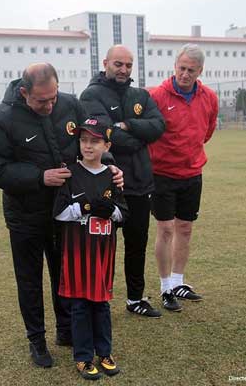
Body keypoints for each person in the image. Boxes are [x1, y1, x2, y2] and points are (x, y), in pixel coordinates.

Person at [0, 63, 124, 368]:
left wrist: (109, 163)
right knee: (30, 279)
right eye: (41, 101)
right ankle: (37, 340)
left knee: (66, 273)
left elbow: (93, 135)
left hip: (68, 213)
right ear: (24, 93)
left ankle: (67, 330)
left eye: (53, 98)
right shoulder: (4, 118)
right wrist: (38, 177)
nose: (49, 105)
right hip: (26, 215)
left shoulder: (70, 104)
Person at [80, 45, 165, 318]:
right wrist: (135, 134)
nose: (124, 70)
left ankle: (135, 298)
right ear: (106, 63)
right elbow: (108, 137)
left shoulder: (140, 95)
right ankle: (97, 299)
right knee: (102, 245)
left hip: (140, 184)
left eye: (128, 65)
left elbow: (158, 126)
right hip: (107, 185)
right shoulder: (92, 95)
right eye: (118, 64)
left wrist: (126, 125)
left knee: (137, 244)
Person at [53, 118, 127, 380]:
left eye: (95, 141)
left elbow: (123, 213)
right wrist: (85, 207)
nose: (88, 145)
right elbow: (59, 213)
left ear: (106, 145)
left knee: (101, 306)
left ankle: (104, 352)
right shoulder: (71, 174)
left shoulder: (112, 175)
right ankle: (83, 357)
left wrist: (112, 211)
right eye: (83, 140)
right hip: (76, 257)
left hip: (102, 256)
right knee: (80, 307)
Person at [148, 43, 218, 312]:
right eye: (181, 68)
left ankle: (178, 282)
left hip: (192, 173)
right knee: (165, 230)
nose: (185, 74)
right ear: (174, 66)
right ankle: (165, 288)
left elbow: (207, 130)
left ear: (200, 71)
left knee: (185, 229)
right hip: (162, 174)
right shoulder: (157, 96)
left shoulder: (209, 97)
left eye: (191, 70)